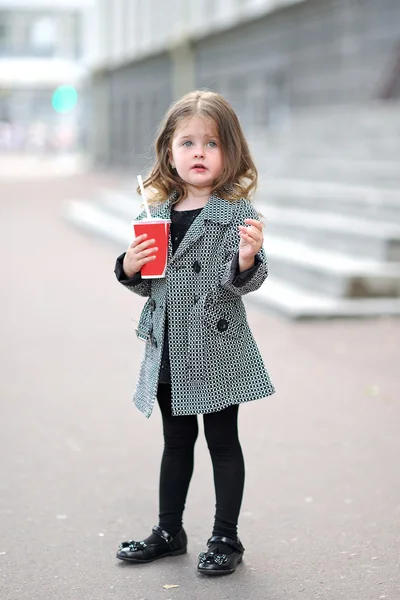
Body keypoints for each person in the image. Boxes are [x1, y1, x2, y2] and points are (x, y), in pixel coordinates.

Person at [114, 90, 275, 575]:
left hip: (216, 345)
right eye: (187, 142)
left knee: (223, 442)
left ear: (231, 152)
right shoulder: (154, 214)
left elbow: (247, 280)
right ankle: (170, 530)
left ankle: (226, 535)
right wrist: (129, 265)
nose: (199, 152)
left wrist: (247, 257)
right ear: (169, 151)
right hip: (168, 348)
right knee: (176, 441)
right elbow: (149, 286)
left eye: (211, 143)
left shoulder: (236, 214)